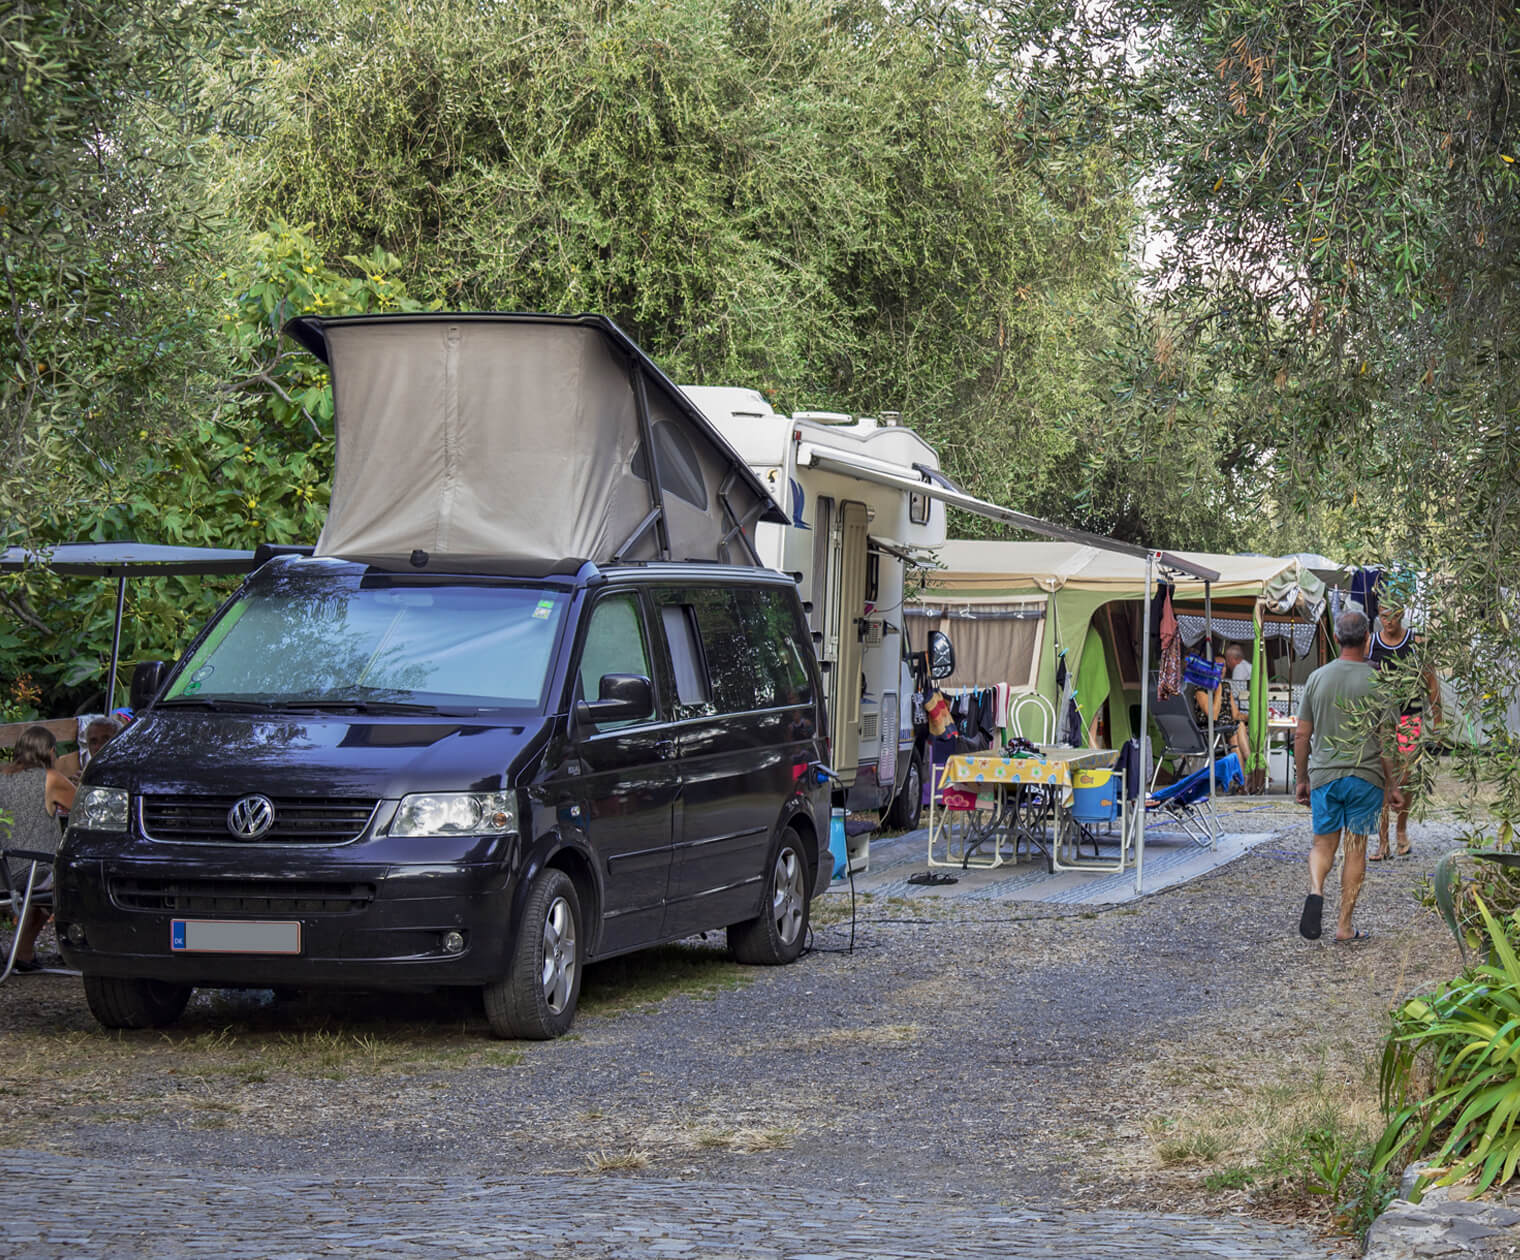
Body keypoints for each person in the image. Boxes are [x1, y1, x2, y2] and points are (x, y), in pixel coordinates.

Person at [1296, 610, 1403, 943]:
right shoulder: (1379, 682)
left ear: (1338, 638)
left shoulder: (1317, 678)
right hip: (1365, 777)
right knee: (1356, 850)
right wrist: (1393, 784)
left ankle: (1316, 889)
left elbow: (1302, 735)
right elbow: (1387, 742)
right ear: (1368, 639)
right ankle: (1344, 925)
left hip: (1325, 775)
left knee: (1322, 844)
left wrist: (1302, 778)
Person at [1368, 602, 1441, 861]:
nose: (1388, 620)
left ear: (1402, 615)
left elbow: (1431, 680)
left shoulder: (1416, 641)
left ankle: (1401, 830)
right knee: (1384, 776)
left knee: (1406, 773)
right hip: (1384, 717)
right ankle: (1383, 840)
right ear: (1378, 615)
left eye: (1393, 615)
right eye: (1383, 615)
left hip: (1411, 713)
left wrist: (1438, 718)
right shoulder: (1372, 642)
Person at [1, 725, 76, 971]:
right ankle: (26, 950)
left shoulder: (1, 775)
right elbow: (85, 808)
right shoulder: (51, 778)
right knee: (64, 879)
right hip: (32, 869)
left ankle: (22, 953)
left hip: (3, 871)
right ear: (51, 751)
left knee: (44, 888)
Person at [56, 713, 124, 783]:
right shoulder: (88, 774)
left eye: (106, 740)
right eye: (93, 742)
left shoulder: (128, 772)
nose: (99, 747)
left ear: (119, 743)